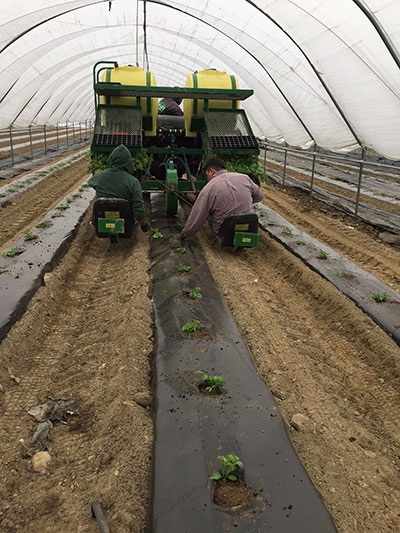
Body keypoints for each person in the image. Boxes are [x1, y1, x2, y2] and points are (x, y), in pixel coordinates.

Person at [180, 157, 263, 239]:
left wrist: (185, 233)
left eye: (207, 175)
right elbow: (259, 197)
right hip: (250, 225)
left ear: (212, 171)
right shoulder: (244, 177)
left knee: (207, 211)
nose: (208, 179)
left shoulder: (209, 188)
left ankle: (221, 238)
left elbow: (198, 214)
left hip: (226, 231)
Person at [88, 144, 149, 232]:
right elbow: (138, 206)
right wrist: (143, 224)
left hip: (101, 215)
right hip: (126, 222)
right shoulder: (133, 182)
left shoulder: (99, 176)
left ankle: (95, 224)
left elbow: (90, 183)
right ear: (128, 162)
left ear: (111, 159)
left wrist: (98, 173)